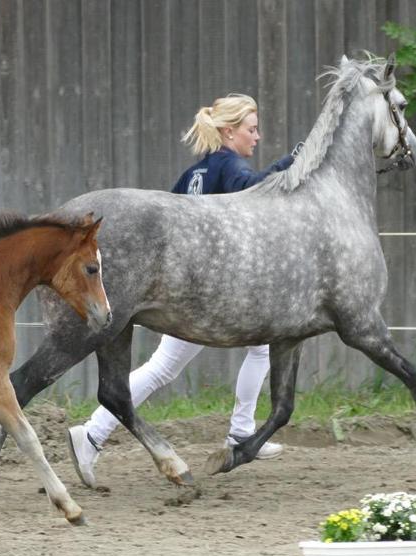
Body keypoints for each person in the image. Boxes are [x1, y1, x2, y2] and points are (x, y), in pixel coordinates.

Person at [68, 93, 300, 488]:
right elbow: (258, 190)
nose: (256, 137)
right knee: (259, 347)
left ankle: (92, 433)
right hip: (208, 292)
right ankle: (239, 431)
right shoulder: (229, 166)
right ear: (230, 132)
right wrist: (289, 163)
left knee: (167, 367)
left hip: (185, 288)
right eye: (251, 129)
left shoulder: (198, 171)